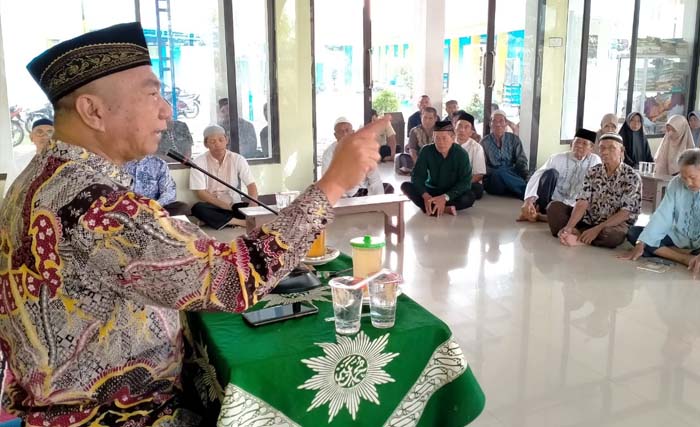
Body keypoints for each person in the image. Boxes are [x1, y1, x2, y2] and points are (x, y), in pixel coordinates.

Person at [0, 22, 386, 426]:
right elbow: (232, 280)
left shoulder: (42, 175)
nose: (167, 110)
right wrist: (335, 183)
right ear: (93, 111)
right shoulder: (96, 203)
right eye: (152, 93)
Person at [548, 134, 641, 248]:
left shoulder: (632, 177)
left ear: (621, 151)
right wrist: (569, 227)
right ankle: (579, 233)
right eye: (602, 148)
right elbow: (583, 202)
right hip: (590, 220)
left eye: (611, 148)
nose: (605, 152)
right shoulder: (593, 172)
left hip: (612, 225)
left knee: (611, 236)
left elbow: (625, 213)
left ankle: (581, 235)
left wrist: (597, 229)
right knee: (554, 208)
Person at [622, 148, 700, 278]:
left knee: (650, 243)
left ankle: (676, 253)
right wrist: (641, 243)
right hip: (677, 237)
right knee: (635, 234)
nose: (688, 183)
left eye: (692, 178)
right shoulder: (676, 183)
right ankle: (686, 258)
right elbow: (663, 215)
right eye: (684, 178)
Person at [520, 128, 601, 222]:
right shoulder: (557, 158)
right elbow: (538, 175)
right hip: (552, 199)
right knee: (550, 173)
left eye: (584, 143)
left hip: (576, 203)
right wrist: (528, 200)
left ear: (591, 148)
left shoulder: (595, 160)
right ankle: (541, 210)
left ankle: (542, 216)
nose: (579, 145)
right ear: (571, 144)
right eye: (577, 142)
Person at [190, 124, 258, 229]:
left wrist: (253, 207)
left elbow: (251, 185)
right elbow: (201, 193)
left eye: (221, 140)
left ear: (227, 140)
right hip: (213, 205)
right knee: (198, 208)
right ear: (205, 144)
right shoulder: (198, 162)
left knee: (260, 208)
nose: (217, 144)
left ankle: (220, 221)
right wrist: (224, 206)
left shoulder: (238, 159)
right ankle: (241, 223)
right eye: (212, 141)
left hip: (234, 205)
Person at [400, 120, 474, 216]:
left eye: (444, 138)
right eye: (437, 138)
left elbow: (465, 182)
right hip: (431, 191)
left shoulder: (461, 154)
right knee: (406, 186)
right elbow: (417, 176)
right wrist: (425, 195)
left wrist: (445, 197)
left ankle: (432, 208)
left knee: (469, 197)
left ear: (452, 138)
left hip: (450, 193)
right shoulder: (426, 151)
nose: (440, 142)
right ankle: (444, 208)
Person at [323, 117, 393, 197]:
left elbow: (375, 179)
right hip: (339, 195)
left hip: (362, 191)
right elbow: (327, 182)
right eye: (341, 132)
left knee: (388, 188)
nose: (344, 134)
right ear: (335, 135)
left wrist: (380, 200)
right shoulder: (328, 153)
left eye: (347, 130)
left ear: (352, 133)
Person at [482, 110, 529, 198]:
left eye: (501, 121)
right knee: (500, 172)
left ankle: (516, 187)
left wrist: (526, 177)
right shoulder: (484, 142)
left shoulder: (514, 139)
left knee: (511, 174)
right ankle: (527, 193)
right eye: (494, 121)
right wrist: (497, 171)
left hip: (511, 175)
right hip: (494, 181)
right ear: (490, 124)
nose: (498, 124)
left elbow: (521, 161)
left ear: (506, 123)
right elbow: (483, 167)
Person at [124, 155, 191, 216]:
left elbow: (168, 192)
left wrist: (153, 205)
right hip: (125, 207)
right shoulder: (119, 162)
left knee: (182, 208)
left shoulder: (159, 164)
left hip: (154, 208)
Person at [2, 118, 54, 197]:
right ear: (31, 137)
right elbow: (9, 195)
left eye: (50, 132)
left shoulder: (68, 162)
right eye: (39, 132)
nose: (45, 136)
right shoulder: (18, 164)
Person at [395, 106, 438, 174]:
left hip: (436, 159)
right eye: (425, 118)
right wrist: (419, 165)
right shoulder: (414, 131)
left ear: (435, 119)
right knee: (401, 158)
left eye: (430, 118)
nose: (427, 121)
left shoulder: (440, 131)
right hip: (419, 159)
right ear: (421, 117)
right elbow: (412, 150)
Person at [454, 111, 486, 199]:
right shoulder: (447, 143)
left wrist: (460, 184)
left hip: (469, 182)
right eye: (459, 126)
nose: (462, 130)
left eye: (466, 127)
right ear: (455, 128)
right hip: (449, 181)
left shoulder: (477, 147)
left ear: (471, 132)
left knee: (477, 190)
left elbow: (479, 175)